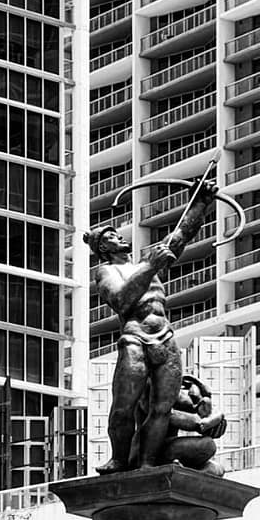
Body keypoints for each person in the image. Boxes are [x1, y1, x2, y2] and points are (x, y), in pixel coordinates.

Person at [84, 161, 219, 472]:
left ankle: (146, 464)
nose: (118, 238)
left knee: (161, 407)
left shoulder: (151, 261)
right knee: (124, 407)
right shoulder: (106, 270)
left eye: (116, 234)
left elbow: (180, 236)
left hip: (166, 337)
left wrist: (200, 203)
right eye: (110, 237)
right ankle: (120, 459)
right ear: (103, 247)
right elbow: (121, 300)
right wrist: (149, 267)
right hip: (135, 338)